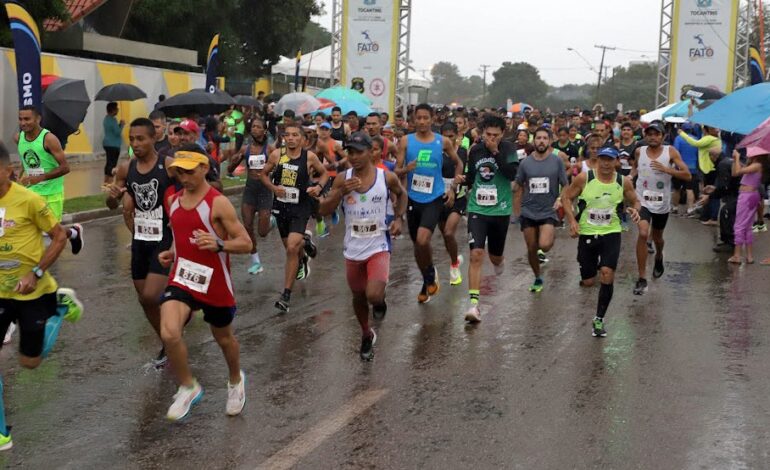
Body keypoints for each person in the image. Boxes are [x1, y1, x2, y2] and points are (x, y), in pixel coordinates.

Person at [157, 149, 252, 421]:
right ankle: (188, 386)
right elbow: (182, 236)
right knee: (169, 332)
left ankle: (235, 380)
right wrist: (173, 252)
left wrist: (219, 243)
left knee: (223, 338)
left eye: (189, 171)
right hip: (183, 278)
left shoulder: (218, 203)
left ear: (204, 168)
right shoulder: (173, 201)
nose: (183, 177)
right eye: (179, 171)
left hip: (215, 282)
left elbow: (246, 243)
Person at [0, 141, 83, 449]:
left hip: (33, 292)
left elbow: (59, 236)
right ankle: (1, 433)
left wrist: (34, 274)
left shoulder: (29, 200)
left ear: (9, 170)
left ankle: (60, 307)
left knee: (30, 363)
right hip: (0, 292)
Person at [316, 132, 406, 360]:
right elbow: (323, 210)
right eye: (350, 152)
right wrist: (340, 191)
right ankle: (366, 334)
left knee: (373, 295)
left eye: (359, 152)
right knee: (357, 296)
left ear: (371, 152)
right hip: (353, 248)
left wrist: (399, 218)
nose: (354, 157)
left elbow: (402, 195)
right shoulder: (342, 178)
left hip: (379, 245)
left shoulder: (386, 178)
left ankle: (380, 300)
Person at [107, 118, 177, 366]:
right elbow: (112, 204)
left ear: (154, 138)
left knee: (149, 296)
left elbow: (186, 194)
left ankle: (174, 331)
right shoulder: (127, 168)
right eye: (132, 139)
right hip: (140, 240)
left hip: (163, 240)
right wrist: (113, 197)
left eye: (141, 138)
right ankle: (169, 343)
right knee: (145, 299)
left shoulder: (168, 166)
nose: (136, 144)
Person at [561, 146, 641, 337]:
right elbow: (566, 197)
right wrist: (572, 221)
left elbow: (635, 200)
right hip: (587, 232)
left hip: (611, 232)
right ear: (597, 160)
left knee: (607, 273)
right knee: (588, 281)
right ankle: (595, 269)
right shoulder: (585, 178)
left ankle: (599, 319)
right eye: (602, 159)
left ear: (616, 162)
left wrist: (635, 209)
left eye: (610, 159)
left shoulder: (623, 181)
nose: (606, 163)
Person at [396, 104, 464, 303]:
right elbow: (397, 171)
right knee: (418, 246)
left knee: (423, 240)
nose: (423, 122)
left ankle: (429, 275)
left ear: (432, 119)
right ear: (413, 120)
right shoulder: (405, 141)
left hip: (434, 198)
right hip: (412, 198)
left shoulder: (442, 142)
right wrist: (406, 169)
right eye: (419, 118)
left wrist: (452, 188)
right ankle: (428, 278)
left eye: (426, 118)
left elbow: (458, 163)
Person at [259, 123, 328, 312]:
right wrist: (273, 188)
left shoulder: (309, 157)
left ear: (302, 139)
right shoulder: (276, 155)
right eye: (287, 135)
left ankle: (286, 295)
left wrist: (318, 188)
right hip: (281, 207)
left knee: (290, 247)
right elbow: (263, 175)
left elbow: (324, 174)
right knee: (292, 248)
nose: (290, 138)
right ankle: (304, 250)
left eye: (295, 135)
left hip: (301, 207)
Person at [463, 115, 519, 322]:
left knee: (495, 256)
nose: (491, 139)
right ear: (482, 132)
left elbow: (512, 173)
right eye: (488, 135)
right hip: (478, 209)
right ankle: (474, 305)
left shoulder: (508, 149)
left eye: (496, 135)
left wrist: (495, 152)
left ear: (502, 134)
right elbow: (471, 178)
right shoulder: (475, 150)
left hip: (501, 210)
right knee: (476, 254)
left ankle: (499, 260)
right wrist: (460, 182)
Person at [631, 122, 691, 295]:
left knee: (658, 237)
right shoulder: (639, 151)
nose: (653, 137)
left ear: (663, 136)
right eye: (649, 134)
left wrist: (667, 169)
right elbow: (636, 167)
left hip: (661, 203)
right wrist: (630, 176)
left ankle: (659, 256)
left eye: (657, 134)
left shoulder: (670, 151)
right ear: (645, 136)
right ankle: (642, 278)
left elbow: (687, 175)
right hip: (642, 200)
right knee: (643, 233)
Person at [15, 106, 84, 255]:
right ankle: (34, 267)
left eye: (27, 119)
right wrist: (19, 175)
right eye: (20, 119)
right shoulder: (18, 137)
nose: (23, 123)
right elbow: (25, 159)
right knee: (28, 230)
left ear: (38, 119)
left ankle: (73, 232)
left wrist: (40, 178)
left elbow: (65, 167)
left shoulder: (49, 139)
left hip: (51, 193)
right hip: (31, 194)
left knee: (51, 234)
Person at [514, 127, 567, 292]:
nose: (541, 141)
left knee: (544, 245)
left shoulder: (556, 161)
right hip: (528, 210)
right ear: (534, 140)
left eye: (545, 138)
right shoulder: (525, 162)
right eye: (538, 138)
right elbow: (517, 184)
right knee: (531, 248)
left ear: (550, 141)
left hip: (548, 210)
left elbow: (566, 185)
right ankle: (537, 277)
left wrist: (560, 199)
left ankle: (549, 237)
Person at [227, 117, 276, 274]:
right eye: (253, 126)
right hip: (250, 190)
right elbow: (229, 169)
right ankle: (256, 261)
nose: (254, 129)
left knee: (262, 232)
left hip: (264, 191)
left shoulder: (270, 150)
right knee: (247, 225)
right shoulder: (245, 149)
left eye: (258, 127)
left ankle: (271, 222)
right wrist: (234, 162)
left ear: (264, 131)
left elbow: (278, 168)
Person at [438, 122, 468, 285]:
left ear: (457, 135)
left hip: (458, 197)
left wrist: (458, 183)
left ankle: (454, 266)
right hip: (439, 197)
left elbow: (466, 171)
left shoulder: (463, 152)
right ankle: (455, 257)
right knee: (445, 235)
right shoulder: (437, 152)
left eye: (451, 136)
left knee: (449, 232)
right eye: (445, 137)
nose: (448, 140)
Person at [729, 148, 768, 264]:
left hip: (747, 196)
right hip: (751, 195)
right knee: (747, 226)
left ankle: (737, 255)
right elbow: (734, 172)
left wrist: (736, 157)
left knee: (739, 225)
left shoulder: (757, 165)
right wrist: (736, 160)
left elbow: (736, 173)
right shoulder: (756, 165)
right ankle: (749, 256)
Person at [678, 125, 722, 225]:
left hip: (710, 169)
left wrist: (682, 134)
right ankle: (707, 215)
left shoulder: (709, 138)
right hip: (709, 169)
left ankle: (712, 217)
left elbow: (695, 143)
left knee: (711, 194)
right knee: (708, 193)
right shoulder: (714, 139)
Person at [672, 123, 700, 215]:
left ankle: (675, 208)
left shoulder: (678, 138)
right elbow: (698, 154)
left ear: (682, 129)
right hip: (692, 168)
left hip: (679, 168)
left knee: (677, 189)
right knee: (690, 189)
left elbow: (675, 152)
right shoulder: (696, 139)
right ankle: (690, 209)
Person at [102, 102, 124, 186]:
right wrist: (122, 125)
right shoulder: (113, 119)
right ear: (113, 110)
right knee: (113, 164)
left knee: (108, 163)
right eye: (117, 108)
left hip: (107, 143)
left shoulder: (106, 119)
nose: (118, 110)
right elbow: (117, 132)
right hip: (114, 145)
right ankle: (110, 183)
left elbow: (112, 129)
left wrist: (119, 124)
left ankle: (105, 181)